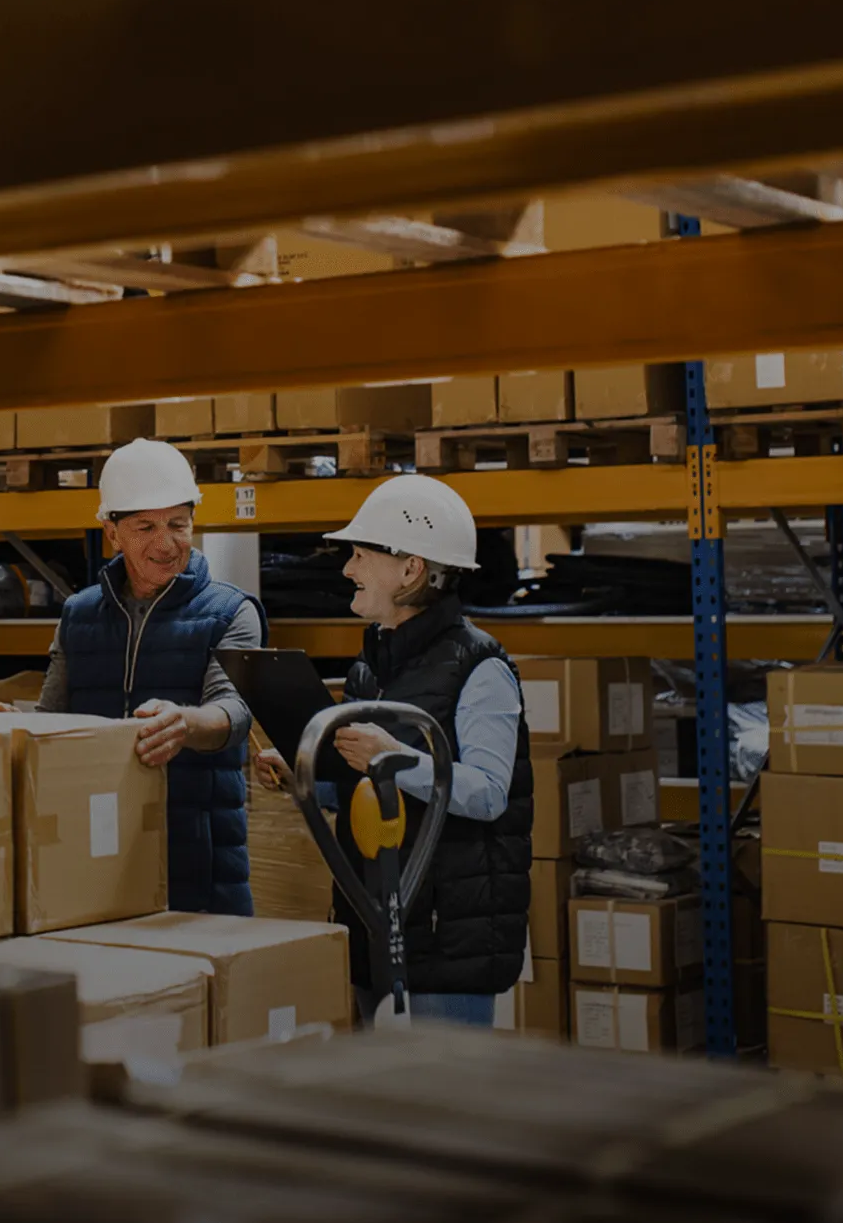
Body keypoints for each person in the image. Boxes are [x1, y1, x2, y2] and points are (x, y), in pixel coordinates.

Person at [255, 474, 531, 1026]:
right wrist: (306, 773)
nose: (347, 569)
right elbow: (365, 788)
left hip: (446, 939)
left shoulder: (481, 668)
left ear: (411, 569)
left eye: (361, 555)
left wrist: (395, 760)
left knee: (443, 1104)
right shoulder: (372, 666)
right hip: (374, 920)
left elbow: (490, 794)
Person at [36, 438, 266, 916]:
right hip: (92, 853)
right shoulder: (78, 616)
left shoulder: (230, 612)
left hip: (199, 864)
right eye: (145, 527)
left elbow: (233, 710)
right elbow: (50, 718)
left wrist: (185, 723)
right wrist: (11, 731)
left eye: (177, 525)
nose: (166, 543)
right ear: (112, 533)